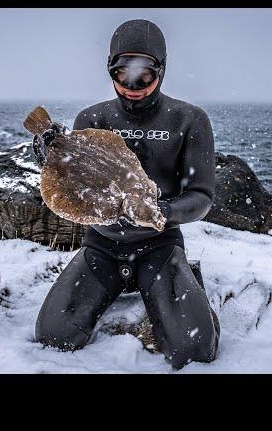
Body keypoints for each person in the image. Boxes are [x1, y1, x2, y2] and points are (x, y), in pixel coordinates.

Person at [33, 19, 219, 369]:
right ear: (110, 70)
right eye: (122, 72)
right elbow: (76, 187)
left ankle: (187, 279)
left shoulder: (189, 120)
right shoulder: (92, 117)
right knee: (53, 337)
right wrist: (49, 157)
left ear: (161, 70)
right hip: (102, 244)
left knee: (195, 351)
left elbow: (202, 197)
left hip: (159, 243)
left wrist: (158, 212)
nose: (133, 85)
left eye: (144, 74)